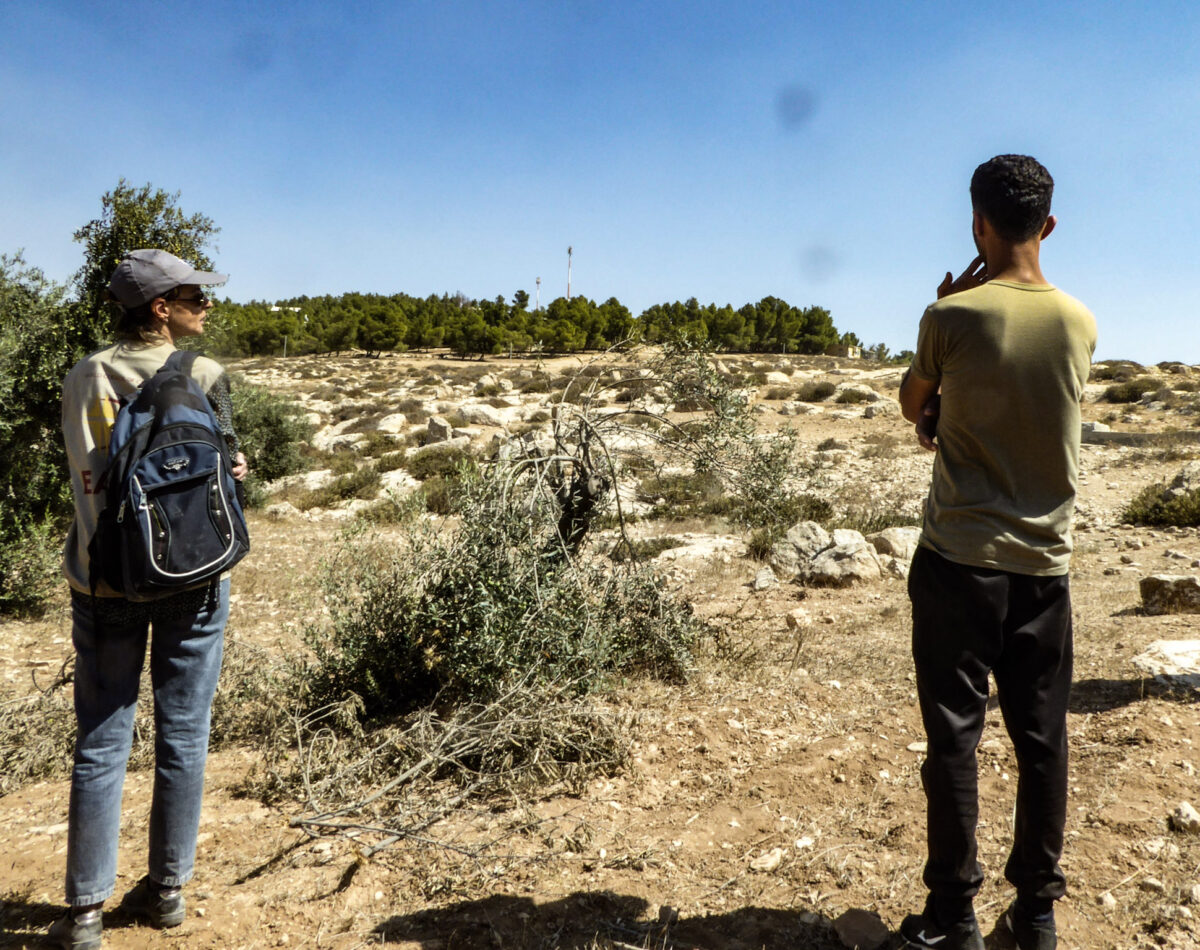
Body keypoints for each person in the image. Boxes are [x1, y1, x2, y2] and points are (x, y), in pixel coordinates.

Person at [896, 155, 1096, 950]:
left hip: (958, 560)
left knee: (955, 739)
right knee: (1043, 741)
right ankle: (1037, 916)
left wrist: (946, 305)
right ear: (1047, 226)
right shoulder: (1081, 322)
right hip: (1046, 569)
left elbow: (916, 404)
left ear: (977, 224)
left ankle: (953, 917)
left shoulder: (952, 317)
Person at [50, 249, 249, 950]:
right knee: (184, 737)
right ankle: (166, 893)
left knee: (101, 744)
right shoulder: (206, 376)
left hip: (102, 582)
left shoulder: (82, 377)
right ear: (161, 308)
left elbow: (86, 478)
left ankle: (83, 915)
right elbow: (227, 475)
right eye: (196, 294)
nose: (208, 304)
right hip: (192, 580)